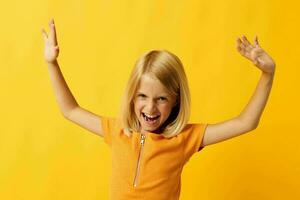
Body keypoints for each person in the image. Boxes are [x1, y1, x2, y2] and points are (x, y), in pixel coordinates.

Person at [42, 18, 276, 200]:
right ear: (132, 97)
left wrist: (268, 74)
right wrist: (52, 63)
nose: (151, 107)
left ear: (176, 100)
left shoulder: (184, 139)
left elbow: (246, 122)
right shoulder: (117, 130)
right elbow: (70, 110)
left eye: (161, 98)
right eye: (142, 96)